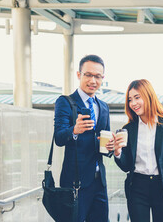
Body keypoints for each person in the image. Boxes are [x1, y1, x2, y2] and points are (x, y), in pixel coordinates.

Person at [113, 79, 163, 222]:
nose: (133, 103)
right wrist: (117, 153)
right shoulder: (129, 129)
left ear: (148, 96)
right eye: (130, 99)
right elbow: (126, 166)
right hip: (137, 187)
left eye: (137, 97)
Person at [54, 54, 114, 222]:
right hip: (75, 183)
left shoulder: (103, 107)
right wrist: (75, 130)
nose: (93, 80)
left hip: (99, 182)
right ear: (79, 75)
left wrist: (111, 147)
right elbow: (59, 138)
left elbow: (104, 140)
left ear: (103, 78)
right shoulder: (65, 102)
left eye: (98, 76)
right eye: (88, 75)